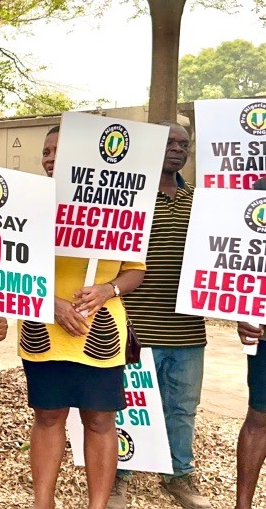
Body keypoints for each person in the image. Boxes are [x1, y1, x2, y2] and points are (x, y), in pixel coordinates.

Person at [18, 125, 145, 509]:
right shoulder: (28, 203)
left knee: (101, 421)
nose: (50, 157)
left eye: (60, 150)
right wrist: (50, 303)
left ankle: (98, 505)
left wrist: (109, 290)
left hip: (100, 331)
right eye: (46, 150)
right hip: (43, 329)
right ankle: (43, 503)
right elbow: (9, 267)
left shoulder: (122, 208)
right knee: (48, 417)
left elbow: (135, 270)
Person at [114, 122, 209, 509]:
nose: (177, 149)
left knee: (182, 407)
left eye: (184, 144)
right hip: (136, 324)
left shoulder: (201, 201)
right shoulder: (127, 198)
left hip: (188, 329)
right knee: (128, 404)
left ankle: (178, 475)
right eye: (169, 142)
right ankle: (120, 474)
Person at [236, 176, 266, 509]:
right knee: (260, 417)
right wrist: (239, 310)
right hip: (265, 334)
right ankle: (242, 504)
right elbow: (236, 258)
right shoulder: (256, 192)